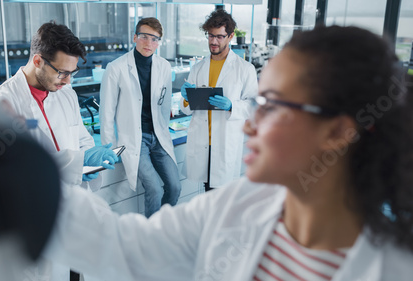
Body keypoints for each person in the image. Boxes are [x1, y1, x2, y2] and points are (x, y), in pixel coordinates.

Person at [44, 26, 413, 280]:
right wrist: (30, 176)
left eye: (270, 105)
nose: (251, 124)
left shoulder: (398, 268)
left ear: (336, 131)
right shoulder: (239, 205)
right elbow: (122, 246)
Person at [0, 21, 117, 281]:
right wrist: (78, 161)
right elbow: (19, 169)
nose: (68, 80)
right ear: (38, 60)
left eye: (72, 72)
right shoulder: (2, 104)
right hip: (37, 216)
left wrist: (89, 165)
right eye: (62, 72)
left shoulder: (65, 92)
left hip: (74, 207)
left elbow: (81, 137)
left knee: (76, 271)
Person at [100, 17, 181, 217]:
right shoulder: (116, 68)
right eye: (144, 37)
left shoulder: (164, 66)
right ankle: (148, 238)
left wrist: (164, 129)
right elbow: (106, 112)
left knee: (175, 187)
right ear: (135, 37)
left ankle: (160, 226)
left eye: (155, 39)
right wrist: (109, 148)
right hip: (135, 140)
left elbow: (165, 105)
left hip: (159, 137)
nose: (149, 43)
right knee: (154, 188)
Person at [180, 9, 258, 191]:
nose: (213, 42)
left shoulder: (245, 69)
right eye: (210, 36)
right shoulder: (198, 68)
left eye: (219, 37)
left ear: (230, 36)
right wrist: (186, 99)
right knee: (208, 194)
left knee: (220, 196)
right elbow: (186, 110)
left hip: (224, 142)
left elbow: (253, 106)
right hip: (202, 143)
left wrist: (232, 106)